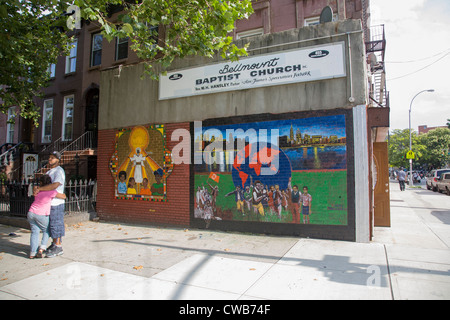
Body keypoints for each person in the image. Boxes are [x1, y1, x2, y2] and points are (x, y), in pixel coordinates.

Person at [33, 151, 66, 258]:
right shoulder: (50, 171)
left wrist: (40, 189)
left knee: (56, 224)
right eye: (50, 157)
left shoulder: (59, 171)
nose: (50, 159)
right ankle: (54, 244)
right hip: (49, 203)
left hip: (56, 203)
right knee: (51, 225)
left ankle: (58, 246)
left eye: (53, 158)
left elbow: (55, 185)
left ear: (58, 160)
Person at [27, 175, 66, 259]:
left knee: (34, 231)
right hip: (41, 214)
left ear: (41, 182)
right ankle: (41, 249)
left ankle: (32, 253)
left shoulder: (37, 190)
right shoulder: (51, 192)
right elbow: (64, 196)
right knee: (47, 231)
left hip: (31, 212)